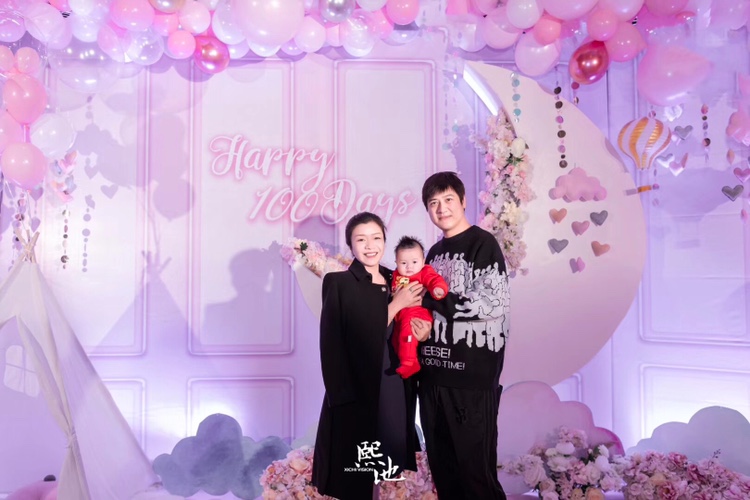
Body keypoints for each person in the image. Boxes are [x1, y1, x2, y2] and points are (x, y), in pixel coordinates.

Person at [412, 171, 510, 500]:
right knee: (445, 476)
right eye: (433, 203)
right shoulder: (432, 253)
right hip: (431, 379)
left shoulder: (483, 244)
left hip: (470, 380)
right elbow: (423, 310)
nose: (442, 209)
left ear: (464, 201)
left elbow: (490, 304)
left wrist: (431, 298)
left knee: (476, 479)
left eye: (448, 199)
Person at [311, 212, 423, 500]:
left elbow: (413, 321)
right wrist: (395, 305)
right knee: (355, 472)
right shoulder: (339, 283)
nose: (370, 246)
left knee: (382, 466)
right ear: (351, 245)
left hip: (393, 384)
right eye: (361, 240)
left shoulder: (397, 278)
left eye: (376, 238)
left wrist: (423, 331)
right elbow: (335, 342)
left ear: (385, 240)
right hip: (356, 391)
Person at [390, 236, 448, 379]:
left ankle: (410, 362)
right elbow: (395, 288)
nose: (409, 267)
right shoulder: (397, 274)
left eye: (414, 262)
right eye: (403, 263)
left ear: (423, 261)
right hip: (400, 314)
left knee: (407, 333)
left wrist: (438, 289)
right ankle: (402, 360)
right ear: (396, 262)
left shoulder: (424, 272)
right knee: (396, 340)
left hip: (416, 314)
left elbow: (434, 279)